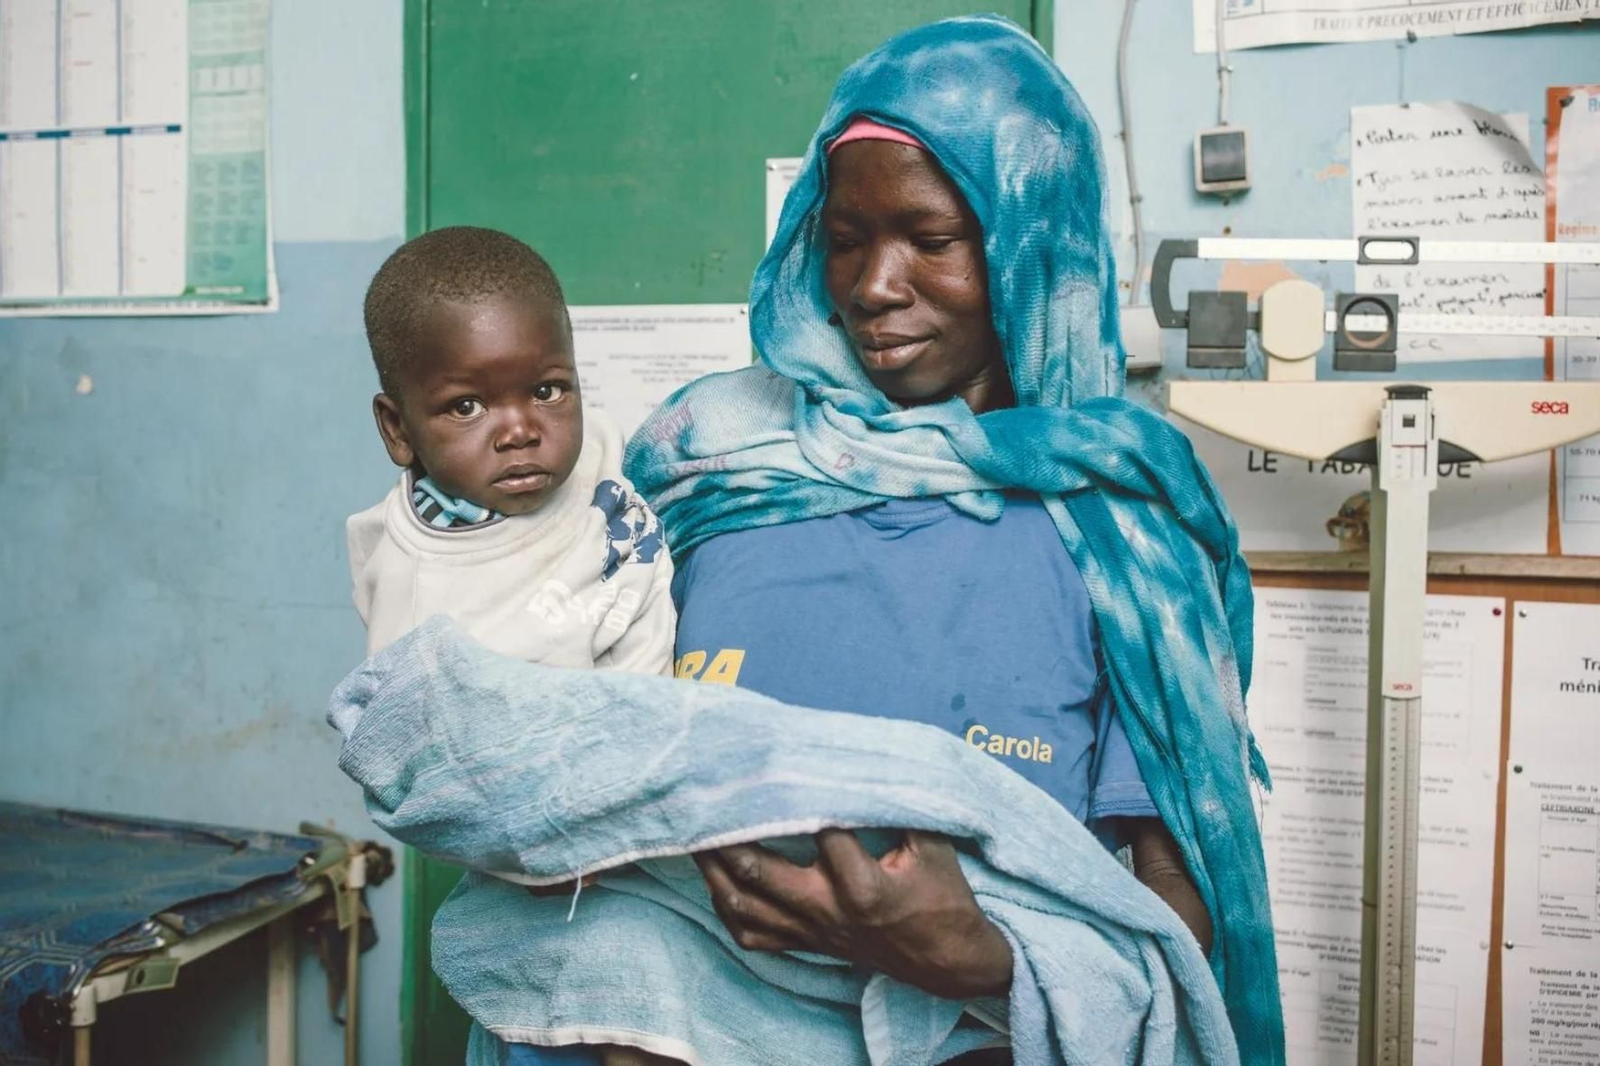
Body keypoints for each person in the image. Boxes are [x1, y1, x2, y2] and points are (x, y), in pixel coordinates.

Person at [617, 14, 1282, 1066]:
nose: (874, 286)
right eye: (844, 240)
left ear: (1031, 246)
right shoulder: (710, 469)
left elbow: (1176, 913)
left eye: (931, 241)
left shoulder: (1122, 529)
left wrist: (978, 957)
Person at [348, 225, 673, 673]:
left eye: (547, 391)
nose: (521, 431)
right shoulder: (420, 593)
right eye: (467, 407)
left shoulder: (602, 449)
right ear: (399, 430)